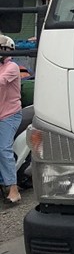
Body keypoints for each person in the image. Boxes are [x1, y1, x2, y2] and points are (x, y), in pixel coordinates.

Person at [0, 34, 23, 205]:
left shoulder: (12, 67)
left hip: (9, 115)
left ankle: (13, 189)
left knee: (3, 149)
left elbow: (1, 82)